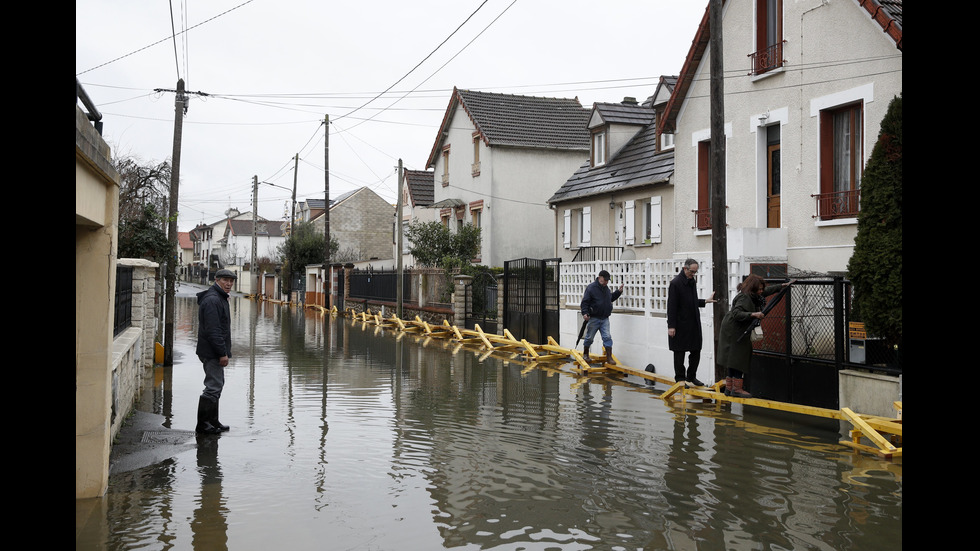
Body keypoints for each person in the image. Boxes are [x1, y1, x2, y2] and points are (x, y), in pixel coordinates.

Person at [717, 274, 794, 398]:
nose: (761, 291)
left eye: (762, 289)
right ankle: (736, 389)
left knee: (733, 358)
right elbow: (737, 313)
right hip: (735, 330)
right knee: (738, 358)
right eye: (759, 289)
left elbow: (766, 291)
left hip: (734, 328)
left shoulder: (752, 295)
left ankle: (730, 388)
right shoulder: (745, 298)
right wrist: (753, 314)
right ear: (752, 288)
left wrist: (781, 286)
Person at [195, 268, 237, 434]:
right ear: (217, 280)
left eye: (231, 281)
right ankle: (203, 425)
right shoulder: (213, 300)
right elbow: (213, 331)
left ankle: (213, 421)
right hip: (212, 351)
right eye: (225, 280)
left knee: (217, 384)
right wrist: (222, 353)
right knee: (213, 386)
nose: (229, 284)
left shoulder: (219, 298)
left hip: (212, 350)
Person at [666, 259, 716, 386]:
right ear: (685, 269)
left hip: (693, 322)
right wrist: (671, 326)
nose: (693, 274)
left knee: (696, 349)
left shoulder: (692, 281)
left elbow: (691, 301)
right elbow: (671, 306)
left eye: (695, 272)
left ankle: (691, 376)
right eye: (692, 271)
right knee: (679, 352)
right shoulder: (675, 283)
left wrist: (705, 301)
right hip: (680, 323)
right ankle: (680, 379)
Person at [580, 270, 624, 364]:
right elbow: (585, 302)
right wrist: (585, 313)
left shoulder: (606, 289)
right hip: (594, 318)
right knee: (589, 337)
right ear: (600, 278)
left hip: (605, 318)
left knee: (607, 337)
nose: (606, 282)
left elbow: (610, 298)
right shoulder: (591, 288)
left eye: (607, 281)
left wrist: (618, 292)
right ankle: (586, 354)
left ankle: (609, 357)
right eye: (605, 280)